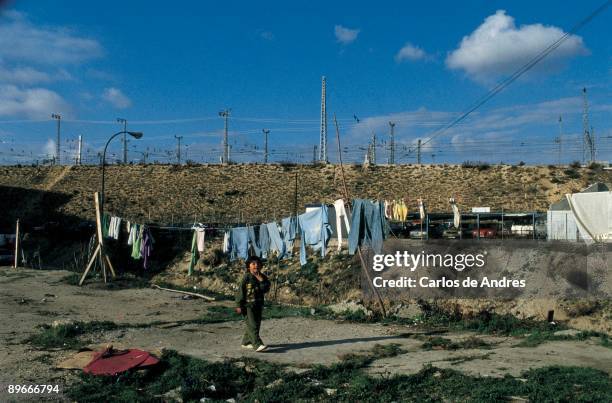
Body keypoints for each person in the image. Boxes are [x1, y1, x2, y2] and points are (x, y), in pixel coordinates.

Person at [235, 256, 271, 352]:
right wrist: (238, 305)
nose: (256, 265)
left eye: (258, 264)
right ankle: (257, 344)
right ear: (248, 266)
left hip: (258, 304)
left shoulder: (263, 277)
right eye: (253, 264)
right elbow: (240, 291)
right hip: (247, 305)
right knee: (253, 325)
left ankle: (246, 342)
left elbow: (266, 289)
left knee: (255, 324)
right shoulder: (246, 277)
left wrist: (261, 280)